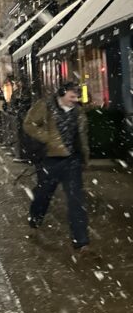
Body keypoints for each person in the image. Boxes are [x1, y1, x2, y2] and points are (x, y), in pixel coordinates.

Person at [23, 82, 90, 252]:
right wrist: (47, 138)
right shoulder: (45, 106)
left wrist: (84, 155)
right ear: (62, 94)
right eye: (71, 96)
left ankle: (81, 242)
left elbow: (81, 136)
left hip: (72, 161)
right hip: (50, 160)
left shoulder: (78, 112)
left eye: (77, 97)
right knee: (43, 195)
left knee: (76, 201)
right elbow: (29, 124)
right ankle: (35, 221)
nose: (74, 100)